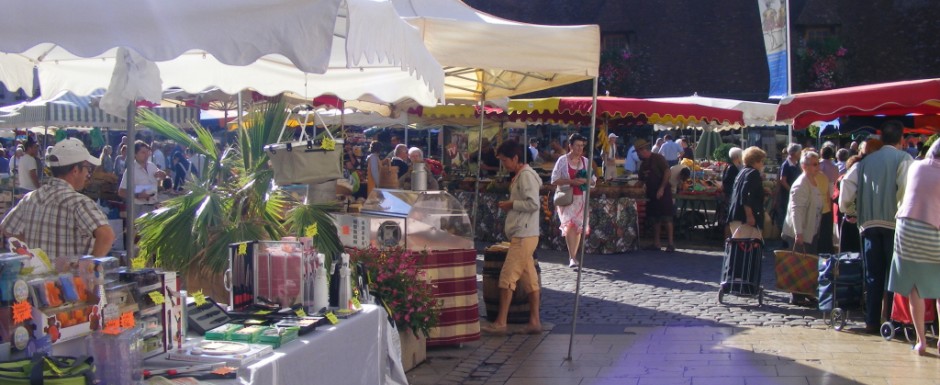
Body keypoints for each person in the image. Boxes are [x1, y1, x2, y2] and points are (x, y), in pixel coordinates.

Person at [839, 121, 913, 334]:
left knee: (873, 274)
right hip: (894, 224)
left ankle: (871, 320)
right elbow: (905, 190)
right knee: (893, 274)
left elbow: (847, 185)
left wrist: (849, 209)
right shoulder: (904, 159)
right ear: (901, 140)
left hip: (868, 224)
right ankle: (891, 320)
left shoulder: (865, 162)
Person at [1, 138, 115, 258]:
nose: (88, 174)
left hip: (38, 274)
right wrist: (90, 266)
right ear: (75, 170)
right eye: (88, 168)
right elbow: (107, 236)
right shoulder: (79, 203)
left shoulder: (31, 198)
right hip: (72, 275)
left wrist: (31, 252)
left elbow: (8, 229)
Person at [480, 140, 541, 336]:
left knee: (507, 278)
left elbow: (533, 204)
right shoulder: (521, 175)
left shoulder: (526, 177)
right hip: (524, 233)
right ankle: (534, 321)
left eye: (505, 160)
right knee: (530, 279)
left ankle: (500, 322)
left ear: (516, 158)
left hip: (524, 234)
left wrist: (511, 204)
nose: (504, 164)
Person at [886, 139, 940, 355]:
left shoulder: (916, 166)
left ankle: (921, 342)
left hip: (907, 230)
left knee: (915, 288)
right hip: (934, 231)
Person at [551, 133, 595, 268]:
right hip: (567, 199)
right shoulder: (562, 161)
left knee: (577, 228)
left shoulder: (586, 162)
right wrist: (571, 181)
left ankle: (573, 256)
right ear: (570, 146)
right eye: (577, 145)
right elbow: (554, 180)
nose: (580, 148)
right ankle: (572, 257)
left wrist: (585, 181)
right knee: (570, 226)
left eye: (582, 146)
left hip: (581, 199)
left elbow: (593, 181)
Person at [782, 151, 833, 255]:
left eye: (818, 163)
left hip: (811, 233)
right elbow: (796, 210)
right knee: (801, 267)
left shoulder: (813, 180)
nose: (818, 167)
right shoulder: (801, 184)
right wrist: (798, 234)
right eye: (814, 164)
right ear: (804, 166)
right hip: (802, 234)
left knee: (810, 266)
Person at [637, 138, 676, 252]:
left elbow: (667, 172)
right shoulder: (643, 164)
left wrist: (662, 188)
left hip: (663, 192)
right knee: (655, 218)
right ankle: (657, 243)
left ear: (643, 150)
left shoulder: (658, 158)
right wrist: (633, 188)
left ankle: (670, 244)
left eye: (638, 152)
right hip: (651, 193)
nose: (638, 154)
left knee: (667, 217)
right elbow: (641, 180)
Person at [118, 140, 167, 215]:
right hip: (138, 208)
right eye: (143, 152)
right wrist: (137, 195)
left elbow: (161, 178)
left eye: (148, 152)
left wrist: (163, 174)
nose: (146, 155)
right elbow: (121, 192)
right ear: (135, 154)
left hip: (154, 206)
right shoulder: (130, 170)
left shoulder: (152, 166)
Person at [727, 146, 767, 237]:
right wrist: (749, 215)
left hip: (736, 216)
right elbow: (745, 194)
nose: (762, 164)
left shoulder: (742, 171)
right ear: (756, 161)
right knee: (749, 248)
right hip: (745, 219)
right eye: (762, 161)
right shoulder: (753, 173)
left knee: (739, 247)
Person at [775, 143, 802, 233]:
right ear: (794, 153)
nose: (800, 153)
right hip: (787, 194)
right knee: (786, 214)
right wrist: (791, 190)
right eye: (799, 152)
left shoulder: (796, 164)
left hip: (794, 194)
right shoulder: (786, 164)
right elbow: (782, 180)